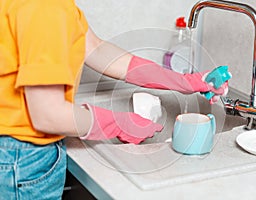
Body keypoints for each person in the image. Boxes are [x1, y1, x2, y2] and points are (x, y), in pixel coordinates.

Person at [0, 0, 228, 199]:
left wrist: (183, 81)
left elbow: (95, 49)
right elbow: (48, 115)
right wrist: (117, 123)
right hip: (20, 157)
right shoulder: (45, 6)